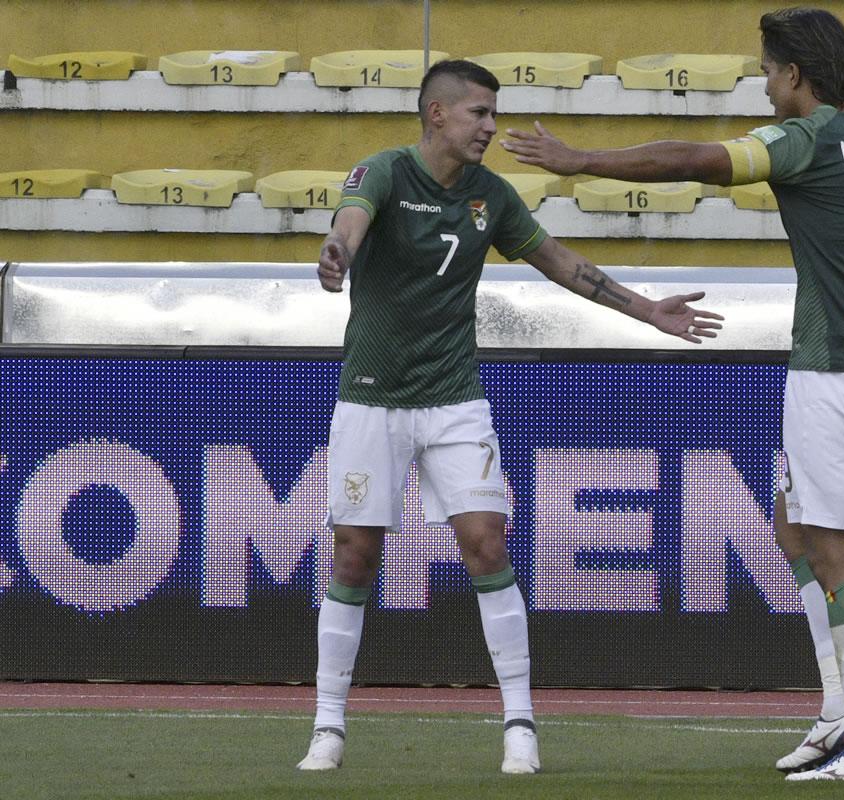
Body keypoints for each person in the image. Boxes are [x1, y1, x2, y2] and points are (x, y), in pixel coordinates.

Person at [502, 6, 844, 783]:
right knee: (792, 526)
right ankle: (839, 712)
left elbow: (692, 159)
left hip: (835, 379)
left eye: (767, 70)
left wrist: (579, 158)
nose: (763, 84)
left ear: (796, 74)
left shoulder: (803, 141)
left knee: (838, 558)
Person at [296, 59, 724, 776]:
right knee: (353, 556)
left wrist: (648, 309)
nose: (491, 127)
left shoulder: (490, 196)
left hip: (454, 399)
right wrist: (338, 249)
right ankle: (328, 726)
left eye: (493, 115)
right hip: (371, 398)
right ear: (437, 114)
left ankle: (519, 724)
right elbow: (353, 219)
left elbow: (556, 261)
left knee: (486, 543)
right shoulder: (383, 172)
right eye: (479, 114)